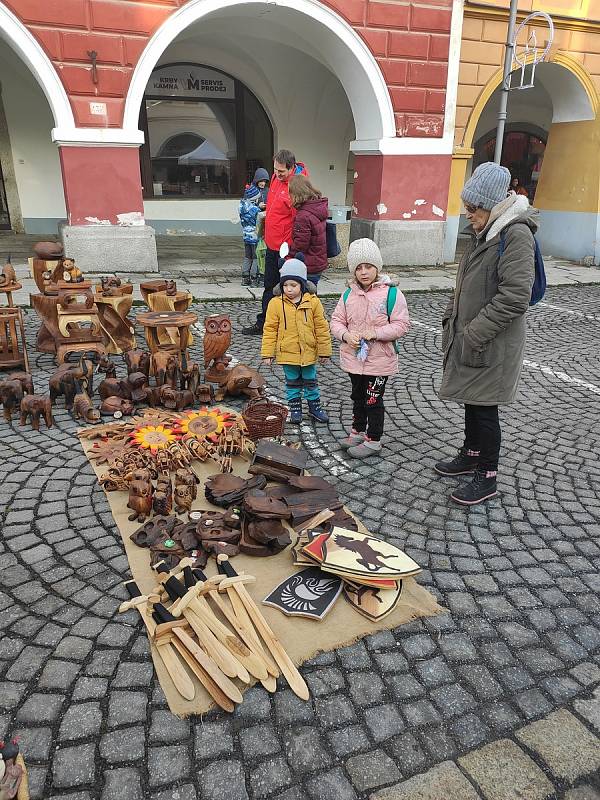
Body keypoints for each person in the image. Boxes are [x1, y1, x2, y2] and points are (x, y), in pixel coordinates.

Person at [435, 161, 536, 505]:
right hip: (472, 337)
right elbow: (464, 283)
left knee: (484, 408)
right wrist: (452, 317)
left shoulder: (515, 233)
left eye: (473, 208)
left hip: (492, 343)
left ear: (493, 204)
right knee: (471, 398)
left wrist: (474, 332)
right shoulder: (485, 230)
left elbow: (515, 297)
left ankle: (487, 475)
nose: (468, 214)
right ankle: (471, 453)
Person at [330, 239, 410, 459]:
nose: (364, 272)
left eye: (368, 266)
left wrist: (375, 333)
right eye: (358, 268)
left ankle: (373, 440)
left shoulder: (392, 294)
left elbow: (401, 325)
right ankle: (357, 431)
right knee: (357, 396)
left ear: (377, 267)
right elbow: (337, 321)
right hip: (354, 358)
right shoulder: (348, 295)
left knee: (373, 400)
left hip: (379, 360)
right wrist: (346, 335)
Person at [242, 149, 308, 335]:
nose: (277, 175)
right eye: (275, 170)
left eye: (281, 172)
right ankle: (265, 323)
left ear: (292, 168)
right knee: (269, 286)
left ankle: (291, 326)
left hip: (286, 249)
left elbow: (298, 221)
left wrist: (293, 248)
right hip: (271, 243)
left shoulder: (297, 186)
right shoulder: (275, 178)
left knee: (290, 288)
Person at [261, 258, 331, 424]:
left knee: (311, 382)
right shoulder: (275, 304)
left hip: (308, 352)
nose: (289, 289)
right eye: (285, 285)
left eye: (293, 285)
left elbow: (321, 327)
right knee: (292, 384)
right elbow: (270, 329)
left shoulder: (313, 302)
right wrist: (267, 353)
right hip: (287, 352)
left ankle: (314, 408)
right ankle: (295, 410)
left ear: (302, 284)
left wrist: (324, 351)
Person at [288, 174, 329, 288]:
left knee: (305, 299)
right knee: (311, 296)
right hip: (317, 262)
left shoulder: (303, 216)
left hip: (308, 264)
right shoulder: (317, 207)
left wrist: (288, 254)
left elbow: (301, 244)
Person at [238, 184, 261, 287]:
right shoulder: (254, 209)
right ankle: (254, 278)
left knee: (248, 256)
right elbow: (260, 218)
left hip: (245, 234)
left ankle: (245, 277)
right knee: (255, 257)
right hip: (254, 236)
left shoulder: (241, 206)